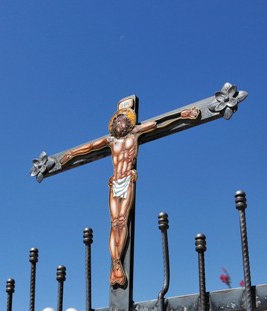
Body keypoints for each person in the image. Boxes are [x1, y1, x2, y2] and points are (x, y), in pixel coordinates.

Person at [59, 103, 200, 287]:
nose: (119, 123)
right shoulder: (111, 141)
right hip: (115, 181)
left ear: (128, 122)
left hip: (126, 179)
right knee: (113, 222)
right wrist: (70, 154)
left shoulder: (135, 134)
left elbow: (160, 123)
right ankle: (116, 264)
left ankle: (118, 264)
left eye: (122, 120)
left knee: (121, 221)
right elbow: (90, 147)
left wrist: (183, 115)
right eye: (116, 121)